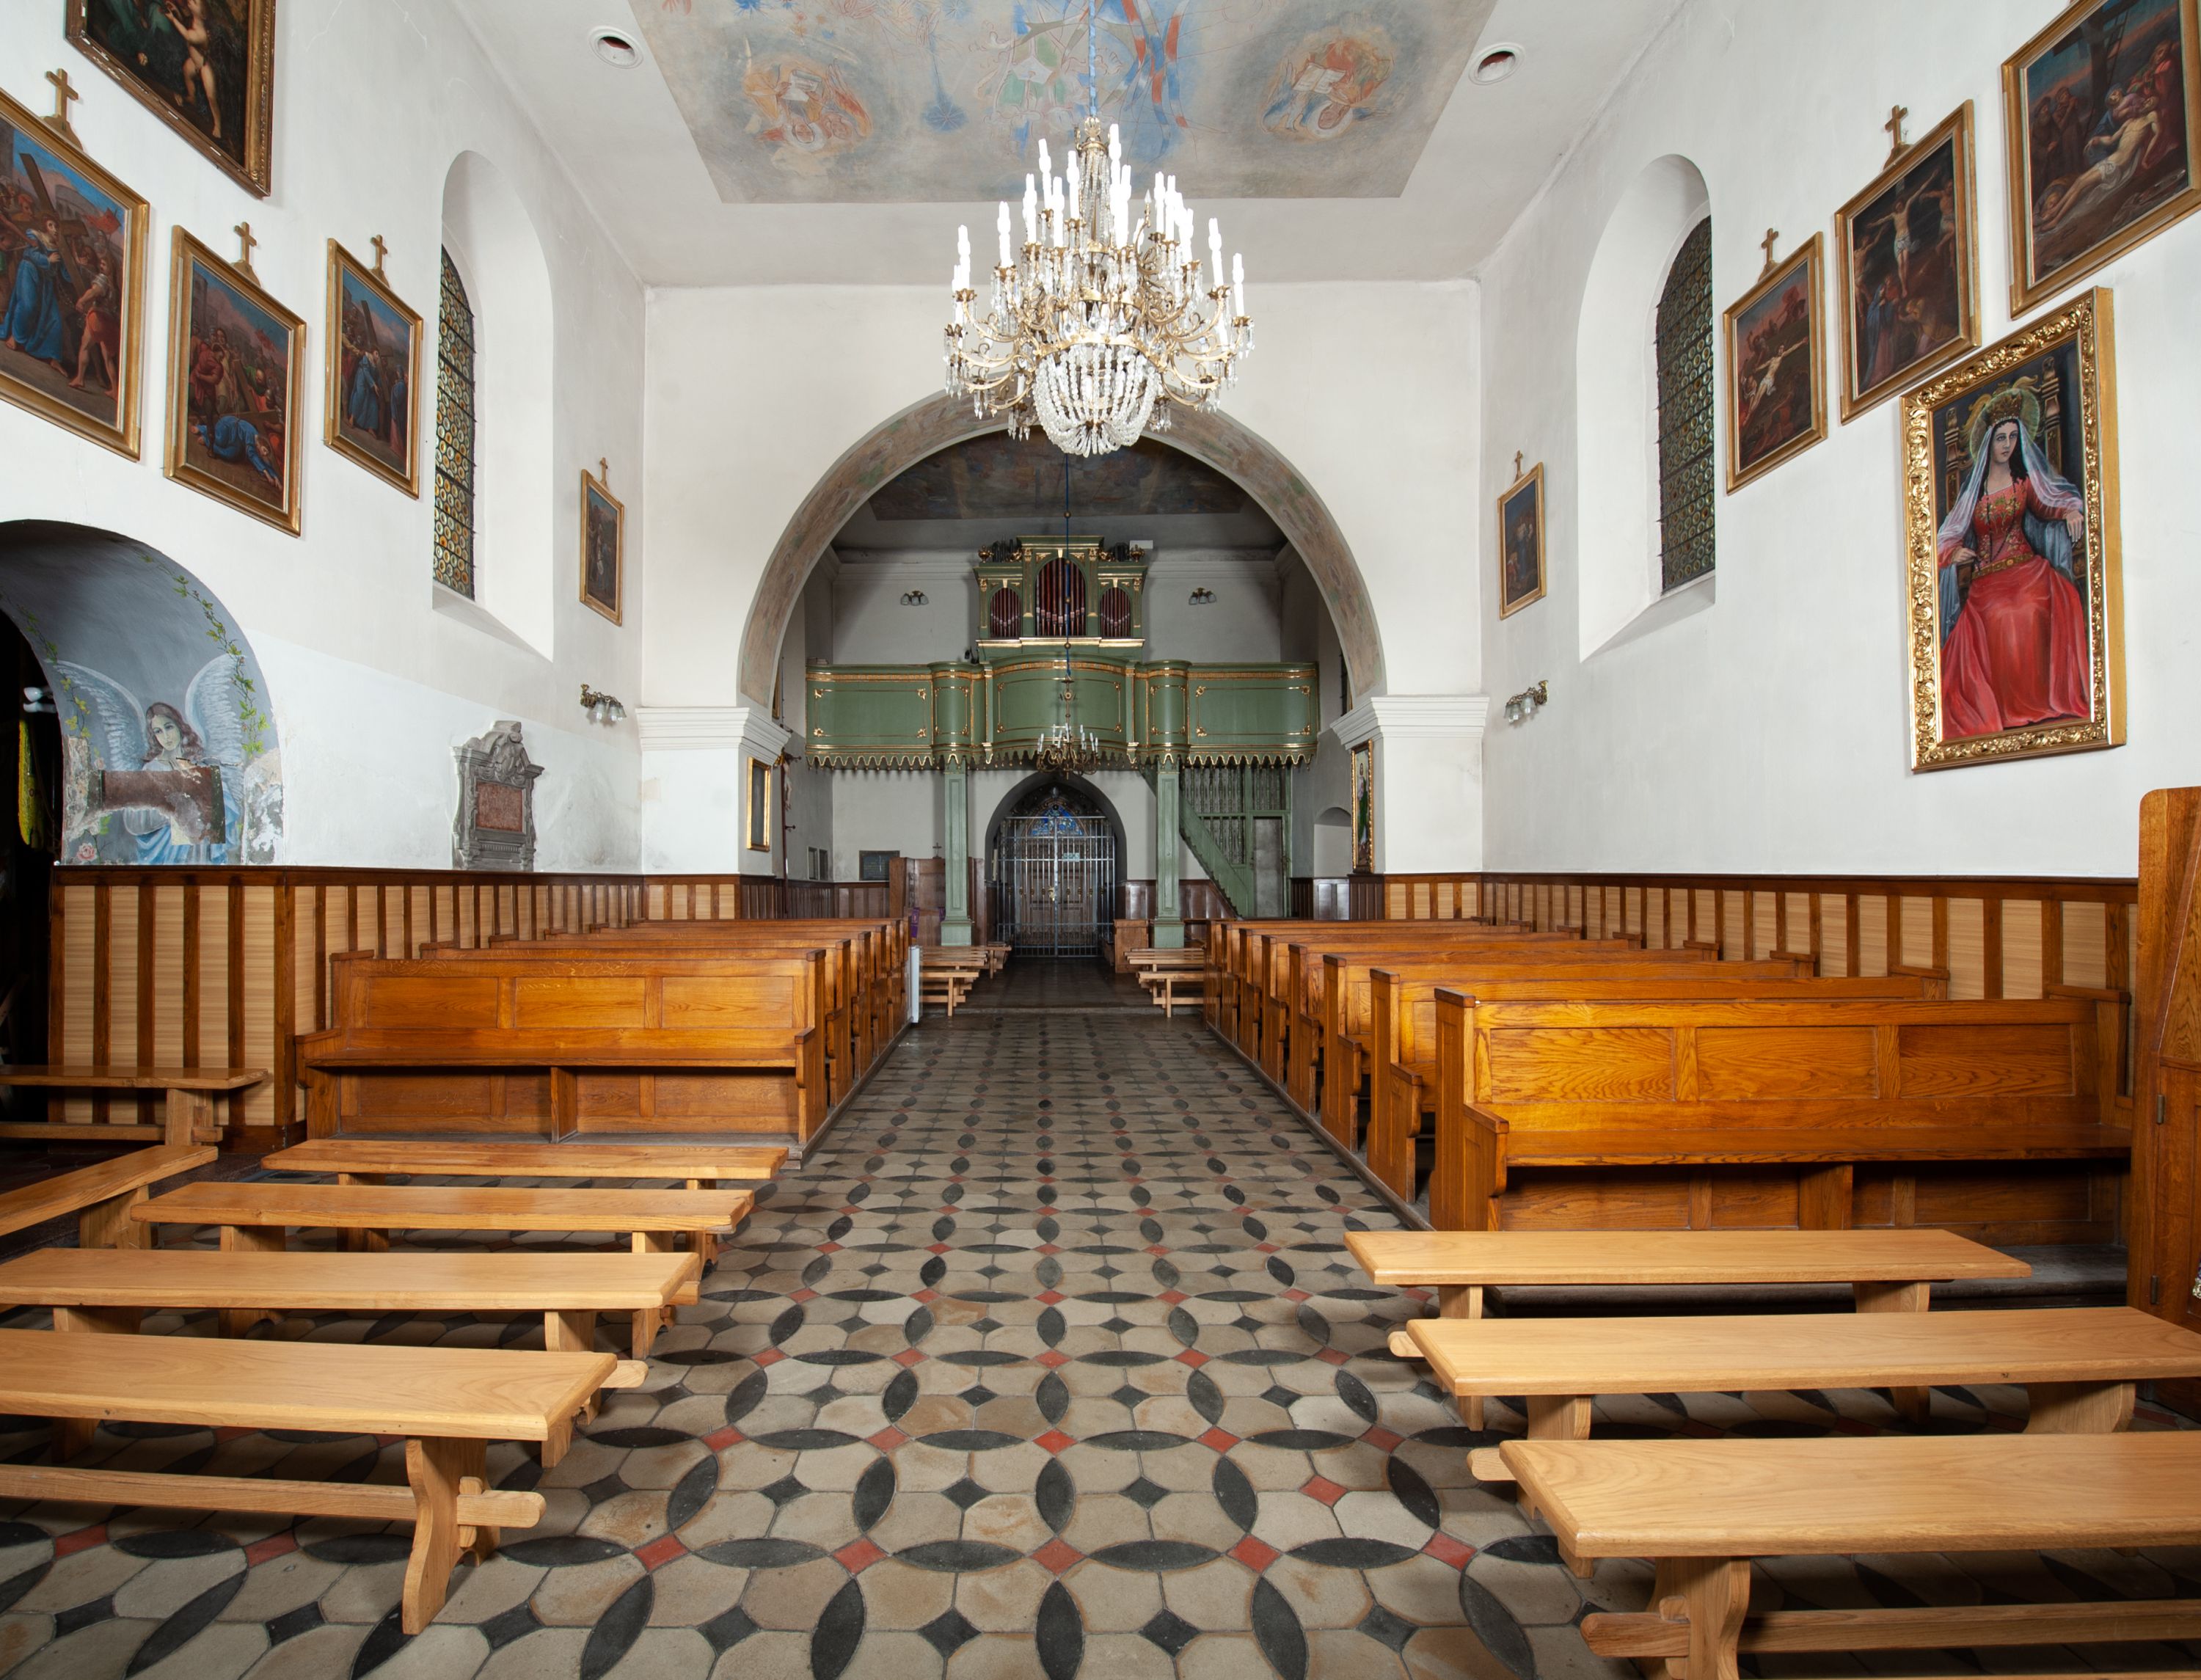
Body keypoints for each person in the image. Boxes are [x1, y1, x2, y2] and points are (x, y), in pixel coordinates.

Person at [1935, 382, 2089, 739]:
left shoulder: (2024, 483)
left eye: (2013, 437)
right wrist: (1953, 553)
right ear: (1989, 443)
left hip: (2026, 569)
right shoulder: (1973, 495)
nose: (2007, 445)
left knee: (2033, 605)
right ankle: (2002, 712)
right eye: (2001, 438)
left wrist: (2069, 511)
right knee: (1996, 615)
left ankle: (2036, 704)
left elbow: (2049, 504)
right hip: (1987, 580)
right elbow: (1947, 536)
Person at [0, 219, 70, 368]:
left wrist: (77, 263)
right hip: (29, 271)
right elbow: (31, 253)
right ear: (44, 226)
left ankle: (52, 357)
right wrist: (47, 260)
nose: (54, 229)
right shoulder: (34, 235)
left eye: (56, 226)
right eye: (51, 225)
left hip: (45, 283)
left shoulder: (58, 249)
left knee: (55, 318)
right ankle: (15, 337)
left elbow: (66, 274)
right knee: (28, 305)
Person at [160, 0, 223, 142]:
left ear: (203, 14)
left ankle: (218, 125)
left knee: (211, 97)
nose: (191, 1)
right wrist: (176, 12)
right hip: (194, 63)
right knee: (186, 71)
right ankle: (191, 97)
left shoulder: (201, 33)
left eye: (195, 2)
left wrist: (173, 19)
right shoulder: (193, 21)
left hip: (205, 66)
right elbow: (185, 24)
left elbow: (188, 36)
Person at [69, 248, 120, 393]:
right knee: (107, 358)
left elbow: (94, 291)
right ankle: (115, 390)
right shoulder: (115, 287)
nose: (101, 267)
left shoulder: (103, 279)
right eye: (101, 264)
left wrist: (82, 300)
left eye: (104, 264)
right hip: (110, 323)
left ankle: (80, 378)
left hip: (98, 318)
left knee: (85, 346)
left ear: (111, 267)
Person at [194, 411, 282, 487]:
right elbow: (252, 455)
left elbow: (265, 461)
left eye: (266, 453)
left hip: (236, 440)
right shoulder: (252, 436)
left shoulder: (257, 445)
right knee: (220, 440)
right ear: (261, 444)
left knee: (231, 454)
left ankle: (208, 442)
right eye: (265, 451)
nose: (265, 454)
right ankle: (202, 429)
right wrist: (268, 476)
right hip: (229, 425)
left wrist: (275, 477)